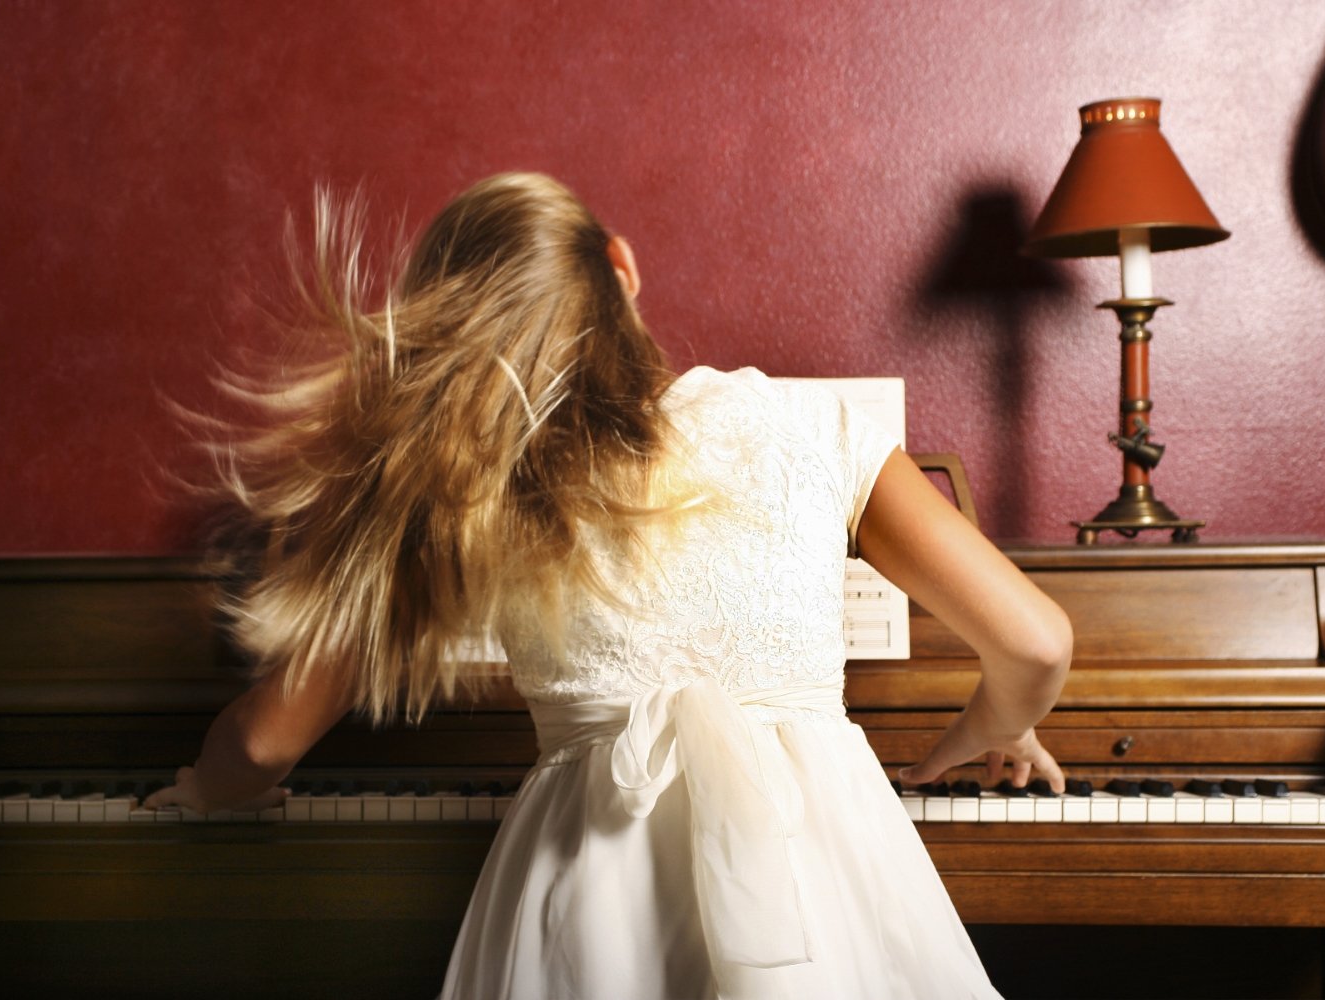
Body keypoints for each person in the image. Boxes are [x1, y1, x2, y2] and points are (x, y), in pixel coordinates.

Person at [146, 172, 1072, 999]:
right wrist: (993, 725)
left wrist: (213, 788)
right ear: (620, 267)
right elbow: (1035, 643)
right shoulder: (810, 425)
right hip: (827, 886)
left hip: (589, 906)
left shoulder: (471, 483)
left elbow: (265, 742)